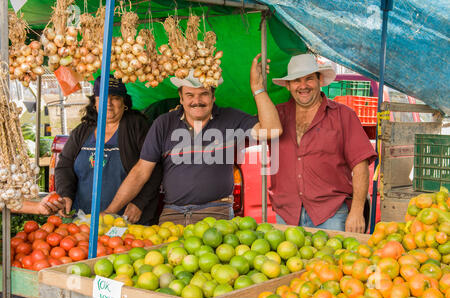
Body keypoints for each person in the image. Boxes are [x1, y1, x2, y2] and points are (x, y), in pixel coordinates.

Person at [101, 54, 282, 226]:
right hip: (173, 214)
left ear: (213, 96)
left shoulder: (230, 118)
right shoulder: (164, 123)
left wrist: (257, 88)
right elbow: (141, 171)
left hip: (216, 213)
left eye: (203, 93)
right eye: (190, 95)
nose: (197, 101)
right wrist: (111, 211)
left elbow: (272, 130)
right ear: (181, 98)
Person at [255, 54, 377, 233]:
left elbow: (360, 165)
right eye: (296, 81)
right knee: (290, 262)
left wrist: (357, 211)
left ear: (320, 80)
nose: (303, 86)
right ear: (288, 86)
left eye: (309, 79)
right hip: (287, 214)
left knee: (331, 262)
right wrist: (258, 88)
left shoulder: (343, 115)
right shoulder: (276, 116)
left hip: (331, 214)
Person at [54, 75, 162, 225]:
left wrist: (139, 203)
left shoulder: (137, 126)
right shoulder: (82, 131)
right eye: (102, 97)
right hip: (84, 218)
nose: (109, 103)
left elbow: (154, 168)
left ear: (124, 102)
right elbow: (64, 165)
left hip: (126, 219)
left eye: (115, 97)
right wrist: (65, 195)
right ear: (95, 103)